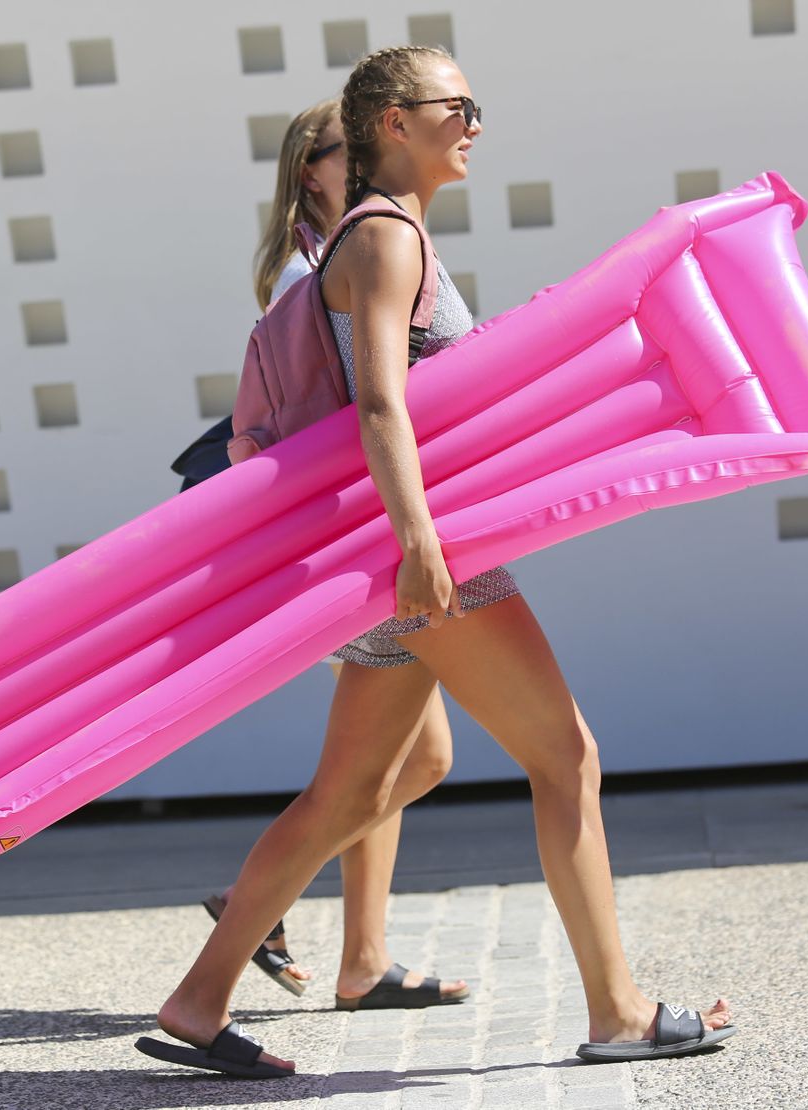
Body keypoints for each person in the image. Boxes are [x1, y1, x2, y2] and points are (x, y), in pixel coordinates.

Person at [138, 45, 735, 1078]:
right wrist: (419, 541)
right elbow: (379, 400)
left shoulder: (390, 235)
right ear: (392, 125)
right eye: (454, 106)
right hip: (419, 559)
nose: (473, 124)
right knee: (567, 759)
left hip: (388, 564)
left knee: (344, 794)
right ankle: (619, 1012)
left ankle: (196, 1004)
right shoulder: (380, 240)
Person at [200, 97, 471, 1012]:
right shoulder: (316, 274)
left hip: (367, 537)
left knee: (413, 760)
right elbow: (363, 413)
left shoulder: (353, 248)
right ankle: (260, 906)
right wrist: (411, 533)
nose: (354, 162)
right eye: (336, 151)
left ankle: (357, 954)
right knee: (374, 771)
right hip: (361, 542)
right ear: (307, 171)